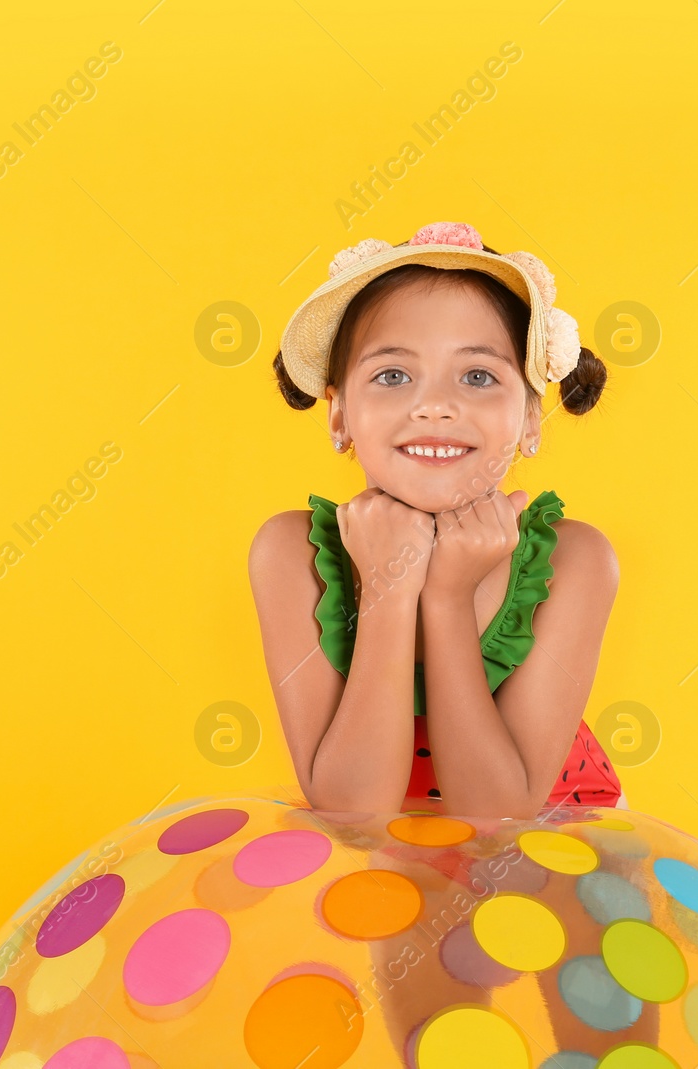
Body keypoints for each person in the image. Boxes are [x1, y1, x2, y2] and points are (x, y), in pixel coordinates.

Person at [249, 219, 626, 821]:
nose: (434, 405)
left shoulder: (575, 560)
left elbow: (498, 817)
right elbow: (353, 809)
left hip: (551, 864)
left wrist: (447, 598)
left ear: (532, 421)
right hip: (388, 866)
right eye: (393, 375)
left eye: (477, 376)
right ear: (339, 415)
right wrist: (389, 589)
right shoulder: (288, 552)